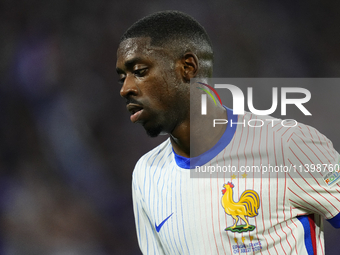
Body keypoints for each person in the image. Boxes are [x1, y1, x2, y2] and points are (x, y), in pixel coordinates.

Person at [116, 10, 340, 254]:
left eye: (139, 71)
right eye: (122, 78)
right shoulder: (145, 175)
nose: (125, 89)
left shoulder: (287, 144)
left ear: (187, 68)